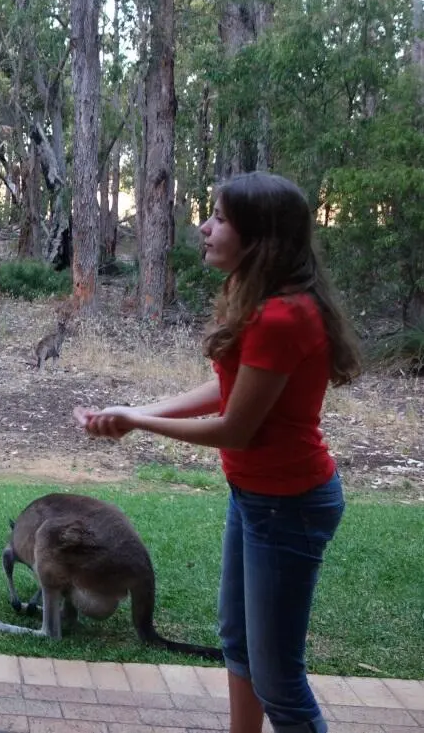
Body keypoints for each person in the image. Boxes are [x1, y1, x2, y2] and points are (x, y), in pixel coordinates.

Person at [75, 171, 361, 733]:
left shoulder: (285, 316)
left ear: (262, 236)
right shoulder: (262, 300)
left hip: (290, 508)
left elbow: (235, 428)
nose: (204, 229)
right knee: (238, 643)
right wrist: (137, 410)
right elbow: (228, 390)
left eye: (221, 219)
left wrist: (139, 423)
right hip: (258, 498)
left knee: (279, 679)